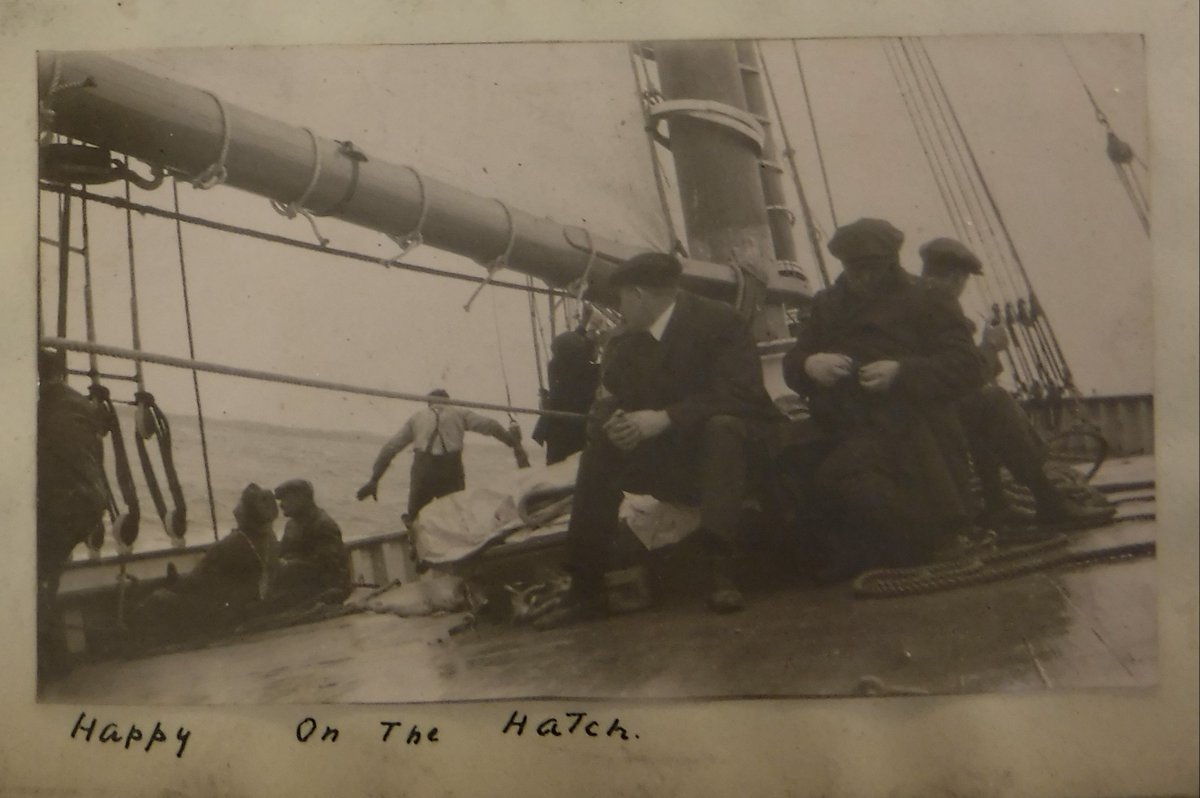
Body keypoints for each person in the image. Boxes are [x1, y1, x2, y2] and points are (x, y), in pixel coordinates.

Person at [535, 251, 783, 627]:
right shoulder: (625, 341)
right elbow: (611, 399)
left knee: (721, 427)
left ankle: (721, 572)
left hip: (743, 460)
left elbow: (742, 394)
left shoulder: (720, 322)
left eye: (620, 300)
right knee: (599, 453)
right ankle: (586, 587)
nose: (619, 310)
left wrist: (665, 418)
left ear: (638, 295)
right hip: (679, 463)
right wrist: (614, 425)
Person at [782, 218, 989, 576]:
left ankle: (932, 539)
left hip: (911, 426)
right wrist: (810, 365)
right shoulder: (827, 304)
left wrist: (901, 372)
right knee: (796, 465)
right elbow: (793, 363)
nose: (862, 278)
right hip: (846, 422)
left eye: (871, 269)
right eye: (853, 269)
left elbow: (966, 365)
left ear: (891, 263)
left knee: (841, 476)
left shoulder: (928, 298)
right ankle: (902, 544)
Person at [917, 237, 1115, 531]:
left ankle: (997, 505)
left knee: (983, 403)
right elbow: (959, 377)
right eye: (964, 281)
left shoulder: (914, 300)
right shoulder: (940, 304)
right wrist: (990, 347)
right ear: (956, 277)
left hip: (920, 410)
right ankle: (1048, 500)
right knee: (994, 402)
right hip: (925, 415)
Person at [36, 348, 109, 679]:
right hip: (89, 503)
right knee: (45, 579)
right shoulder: (75, 401)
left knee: (32, 578)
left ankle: (45, 663)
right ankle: (53, 660)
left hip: (65, 504)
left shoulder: (43, 405)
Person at [134, 483, 280, 640]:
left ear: (245, 511)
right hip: (249, 606)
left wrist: (170, 585)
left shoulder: (232, 543)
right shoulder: (270, 539)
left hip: (223, 613)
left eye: (240, 502)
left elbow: (197, 581)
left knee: (156, 600)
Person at [357, 389, 528, 522]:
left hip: (424, 472)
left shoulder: (417, 418)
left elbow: (390, 448)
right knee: (456, 515)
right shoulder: (459, 413)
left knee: (415, 517)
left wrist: (374, 479)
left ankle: (416, 550)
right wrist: (513, 443)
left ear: (428, 403)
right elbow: (491, 426)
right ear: (449, 401)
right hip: (450, 471)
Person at [265, 479, 352, 609]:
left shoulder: (323, 525)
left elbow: (330, 567)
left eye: (285, 499)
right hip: (300, 584)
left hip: (324, 587)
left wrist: (291, 565)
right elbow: (282, 553)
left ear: (301, 498)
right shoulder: (292, 525)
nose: (281, 505)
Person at [531, 321, 601, 465]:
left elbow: (570, 344)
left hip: (555, 429)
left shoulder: (554, 366)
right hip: (577, 430)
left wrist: (583, 326)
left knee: (555, 468)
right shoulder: (592, 373)